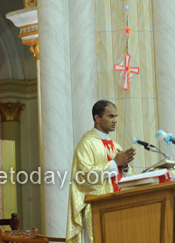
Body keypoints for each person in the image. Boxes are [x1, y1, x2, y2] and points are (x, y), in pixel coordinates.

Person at [66, 100, 136, 243]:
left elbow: (127, 178)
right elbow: (83, 177)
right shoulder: (86, 144)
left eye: (116, 116)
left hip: (120, 205)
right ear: (97, 118)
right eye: (111, 116)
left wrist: (125, 167)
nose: (115, 121)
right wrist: (115, 163)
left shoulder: (115, 145)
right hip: (98, 208)